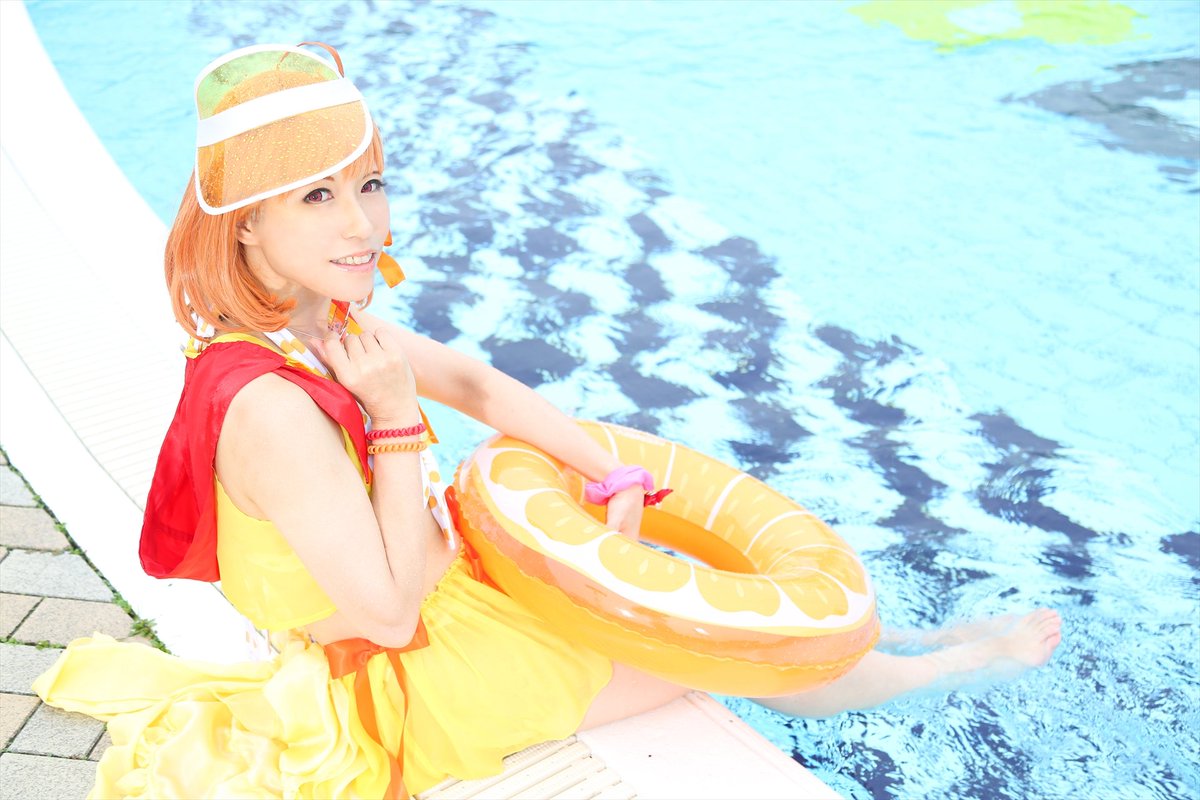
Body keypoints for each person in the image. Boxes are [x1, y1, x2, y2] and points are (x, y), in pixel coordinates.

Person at [32, 42, 1062, 799]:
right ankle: (948, 665)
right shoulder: (267, 407)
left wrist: (608, 472)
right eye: (316, 197)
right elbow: (387, 613)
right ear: (246, 224)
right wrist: (395, 421)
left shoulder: (322, 325)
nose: (363, 223)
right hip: (409, 675)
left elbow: (477, 387)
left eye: (369, 184)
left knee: (688, 603)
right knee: (732, 653)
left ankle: (917, 643)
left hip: (458, 595)